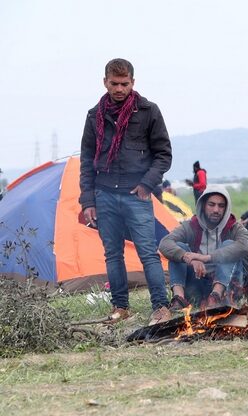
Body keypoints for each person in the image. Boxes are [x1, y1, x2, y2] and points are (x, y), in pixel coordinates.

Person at [79, 58, 172, 326]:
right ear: (105, 82)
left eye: (125, 84)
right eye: (114, 83)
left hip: (136, 195)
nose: (119, 89)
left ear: (133, 82)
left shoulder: (148, 111)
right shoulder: (93, 116)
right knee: (112, 254)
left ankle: (160, 307)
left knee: (147, 252)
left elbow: (164, 154)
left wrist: (146, 185)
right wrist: (88, 200)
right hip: (104, 194)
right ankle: (120, 306)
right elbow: (86, 160)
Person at [159, 185, 248, 310]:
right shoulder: (191, 225)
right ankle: (179, 300)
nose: (216, 210)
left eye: (221, 206)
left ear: (226, 208)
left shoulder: (234, 227)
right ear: (203, 205)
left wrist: (206, 258)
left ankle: (216, 297)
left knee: (229, 245)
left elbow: (245, 246)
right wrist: (189, 258)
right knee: (179, 248)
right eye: (211, 204)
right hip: (197, 284)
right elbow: (165, 243)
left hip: (227, 287)